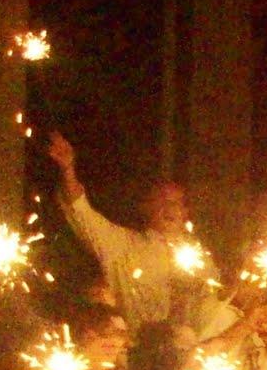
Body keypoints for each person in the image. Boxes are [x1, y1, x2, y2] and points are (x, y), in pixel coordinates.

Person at [46, 131, 220, 344]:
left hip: (194, 358)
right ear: (147, 208)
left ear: (186, 212)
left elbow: (218, 304)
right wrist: (68, 170)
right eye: (163, 202)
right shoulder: (124, 246)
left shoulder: (198, 257)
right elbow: (83, 215)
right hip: (139, 354)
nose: (171, 209)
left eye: (177, 203)